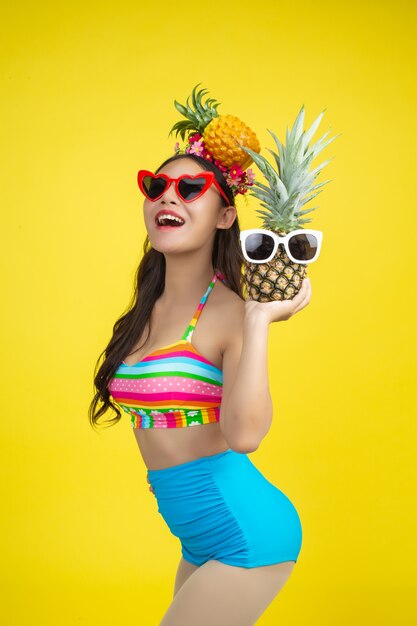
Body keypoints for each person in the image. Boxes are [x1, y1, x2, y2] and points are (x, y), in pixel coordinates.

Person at [89, 152, 311, 626]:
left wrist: (259, 319)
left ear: (225, 215)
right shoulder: (143, 312)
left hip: (246, 534)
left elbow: (245, 437)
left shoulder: (231, 312)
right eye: (156, 187)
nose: (168, 196)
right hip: (198, 536)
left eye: (191, 189)